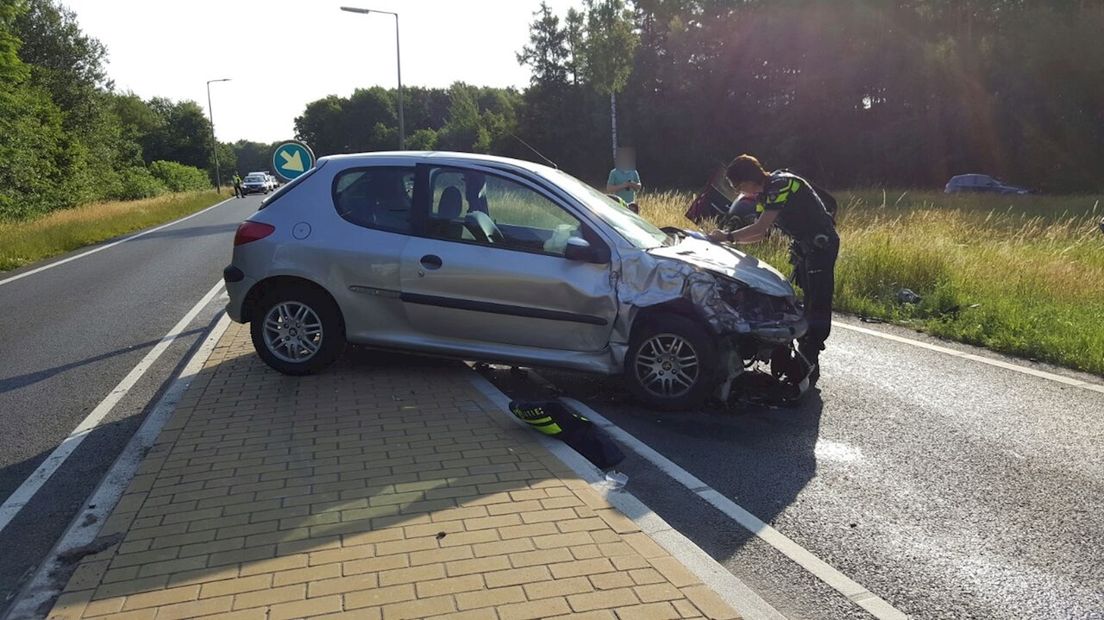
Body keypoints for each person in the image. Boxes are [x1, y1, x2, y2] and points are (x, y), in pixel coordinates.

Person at [709, 155, 839, 384]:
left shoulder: (781, 184)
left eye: (738, 186)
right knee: (803, 300)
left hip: (821, 244)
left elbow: (760, 227)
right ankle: (803, 354)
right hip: (805, 245)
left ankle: (810, 357)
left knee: (817, 301)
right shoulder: (765, 193)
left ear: (749, 179)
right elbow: (760, 234)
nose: (740, 191)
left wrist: (728, 237)